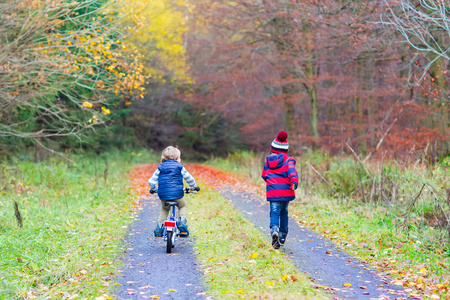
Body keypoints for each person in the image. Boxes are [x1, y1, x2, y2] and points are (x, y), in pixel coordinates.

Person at [148, 146, 197, 237]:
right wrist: (193, 187)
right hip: (177, 194)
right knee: (182, 206)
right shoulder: (180, 167)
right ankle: (182, 222)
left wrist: (155, 189)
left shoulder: (160, 168)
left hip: (163, 195)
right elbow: (189, 178)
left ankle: (159, 227)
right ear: (177, 158)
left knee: (165, 209)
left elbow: (151, 182)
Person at [261, 131, 299, 249]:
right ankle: (282, 236)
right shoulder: (289, 161)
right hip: (286, 193)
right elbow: (292, 173)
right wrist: (294, 182)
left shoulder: (268, 162)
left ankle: (274, 230)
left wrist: (272, 183)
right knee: (284, 213)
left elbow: (264, 175)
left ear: (273, 148)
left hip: (273, 193)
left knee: (274, 212)